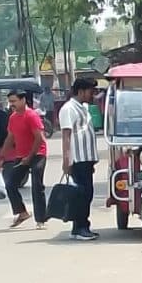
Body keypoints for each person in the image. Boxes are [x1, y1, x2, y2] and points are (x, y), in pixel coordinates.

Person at [55, 72, 100, 241]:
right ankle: (82, 227)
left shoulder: (84, 107)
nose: (92, 95)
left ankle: (78, 227)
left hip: (86, 159)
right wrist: (67, 160)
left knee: (85, 193)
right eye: (90, 91)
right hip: (78, 159)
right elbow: (66, 135)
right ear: (81, 91)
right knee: (83, 194)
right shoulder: (68, 109)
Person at [0, 89, 48, 228]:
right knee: (11, 184)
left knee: (37, 185)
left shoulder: (31, 116)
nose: (11, 104)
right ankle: (22, 212)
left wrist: (30, 157)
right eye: (10, 102)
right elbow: (10, 137)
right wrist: (1, 156)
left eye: (14, 101)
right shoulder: (13, 117)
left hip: (37, 154)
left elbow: (39, 138)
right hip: (21, 155)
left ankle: (41, 219)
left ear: (23, 100)